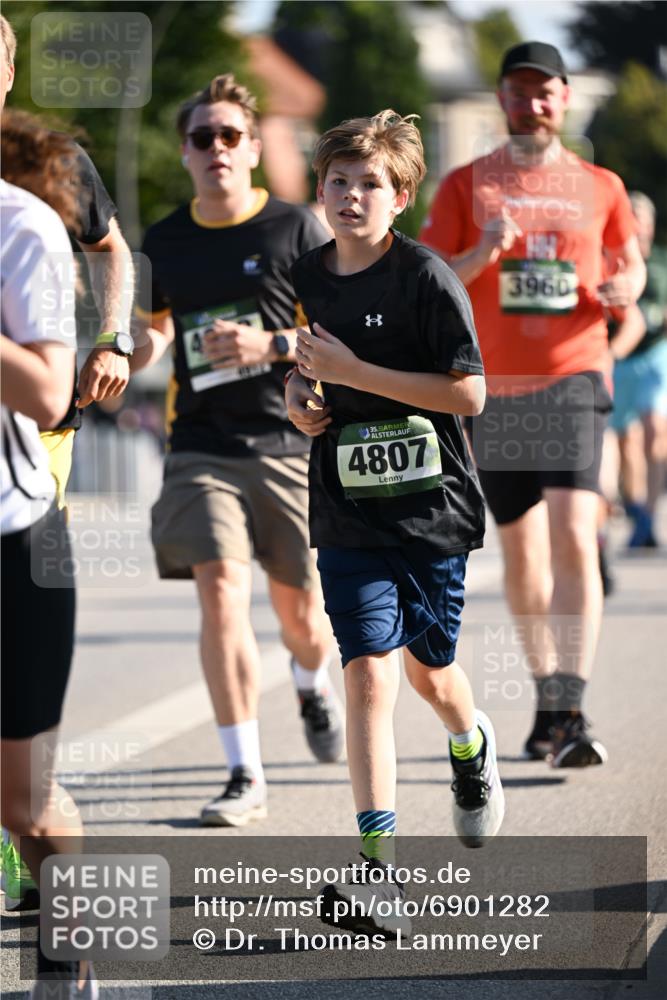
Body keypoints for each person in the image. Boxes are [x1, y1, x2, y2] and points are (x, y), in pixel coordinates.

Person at [286, 109, 504, 937]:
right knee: (371, 672)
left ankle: (467, 743)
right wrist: (301, 400)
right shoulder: (307, 274)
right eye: (337, 182)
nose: (350, 196)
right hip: (344, 507)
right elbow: (304, 375)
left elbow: (467, 394)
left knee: (430, 674)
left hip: (428, 510)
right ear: (320, 190)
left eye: (368, 183)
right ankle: (378, 874)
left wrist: (357, 371)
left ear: (400, 195)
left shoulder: (426, 277)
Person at [420, 41, 646, 766]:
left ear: (563, 98)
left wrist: (628, 288)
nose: (532, 104)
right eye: (518, 92)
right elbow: (432, 282)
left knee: (575, 534)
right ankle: (546, 690)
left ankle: (569, 705)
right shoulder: (464, 185)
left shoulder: (600, 185)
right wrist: (483, 251)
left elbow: (628, 259)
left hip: (574, 375)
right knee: (521, 552)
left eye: (544, 92)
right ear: (501, 100)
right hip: (495, 390)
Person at [132, 73, 342, 828]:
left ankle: (312, 683)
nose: (215, 148)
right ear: (186, 152)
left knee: (302, 618)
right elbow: (155, 328)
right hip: (200, 443)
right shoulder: (163, 239)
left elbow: (334, 334)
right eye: (201, 137)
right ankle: (243, 772)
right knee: (219, 588)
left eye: (229, 136)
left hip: (288, 439)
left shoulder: (295, 229)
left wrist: (267, 344)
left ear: (253, 148)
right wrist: (127, 347)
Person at [1, 12, 134, 913]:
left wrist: (116, 338)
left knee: (24, 794)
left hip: (20, 497)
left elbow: (115, 258)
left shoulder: (37, 193)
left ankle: (67, 929)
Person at [1, 130, 95, 998]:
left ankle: (75, 954)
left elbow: (45, 390)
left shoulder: (21, 225)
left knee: (22, 803)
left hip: (15, 543)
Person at [611, 192, 667, 548]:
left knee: (654, 431)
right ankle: (634, 510)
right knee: (626, 441)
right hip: (619, 359)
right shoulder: (610, 263)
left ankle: (649, 513)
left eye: (644, 221)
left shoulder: (660, 264)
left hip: (655, 356)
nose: (640, 228)